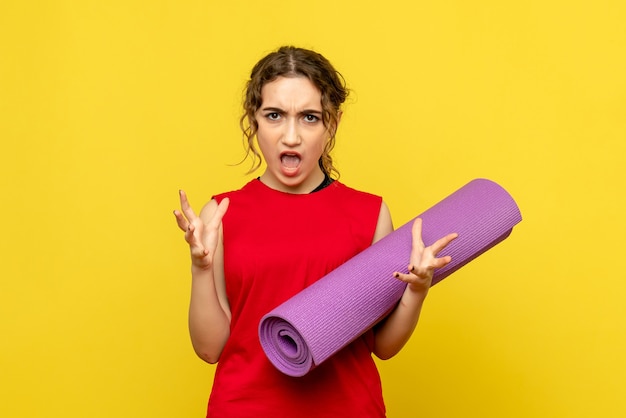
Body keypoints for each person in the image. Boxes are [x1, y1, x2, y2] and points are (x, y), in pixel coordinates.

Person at [173, 46, 457, 418]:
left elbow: (382, 346)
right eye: (274, 115)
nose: (291, 136)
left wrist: (417, 290)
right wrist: (201, 268)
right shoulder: (220, 215)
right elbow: (210, 350)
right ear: (253, 120)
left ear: (332, 123)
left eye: (309, 117)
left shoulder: (370, 214)